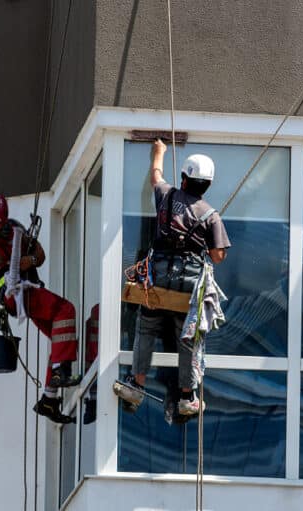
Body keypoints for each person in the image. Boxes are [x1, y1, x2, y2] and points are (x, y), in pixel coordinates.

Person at [115, 140, 230, 416]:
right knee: (188, 339)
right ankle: (187, 397)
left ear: (184, 178)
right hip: (187, 289)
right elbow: (217, 256)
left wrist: (160, 152)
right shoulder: (211, 215)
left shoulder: (166, 196)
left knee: (145, 330)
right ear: (209, 184)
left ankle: (135, 384)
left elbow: (155, 174)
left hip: (158, 282)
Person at [0, 193, 80, 424]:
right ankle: (62, 371)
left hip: (27, 287)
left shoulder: (15, 229)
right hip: (16, 293)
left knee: (59, 336)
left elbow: (39, 254)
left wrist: (29, 261)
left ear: (4, 218)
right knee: (66, 310)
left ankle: (49, 399)